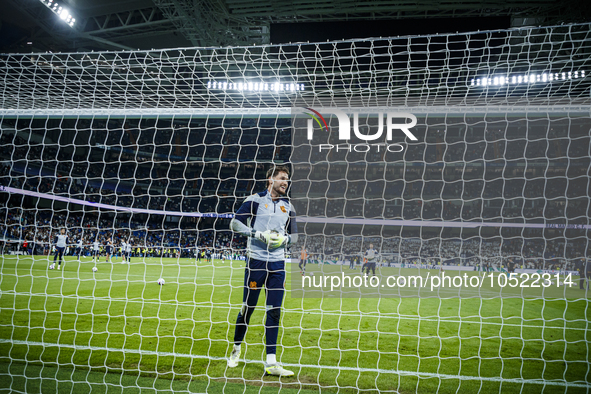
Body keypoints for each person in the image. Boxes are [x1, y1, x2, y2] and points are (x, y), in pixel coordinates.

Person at [227, 165, 298, 377]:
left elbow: (296, 236)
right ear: (271, 179)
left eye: (288, 179)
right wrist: (257, 234)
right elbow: (234, 224)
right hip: (256, 261)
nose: (286, 182)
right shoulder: (255, 200)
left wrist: (285, 240)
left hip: (278, 264)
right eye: (283, 178)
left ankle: (271, 362)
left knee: (274, 311)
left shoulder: (289, 206)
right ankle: (236, 348)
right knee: (247, 308)